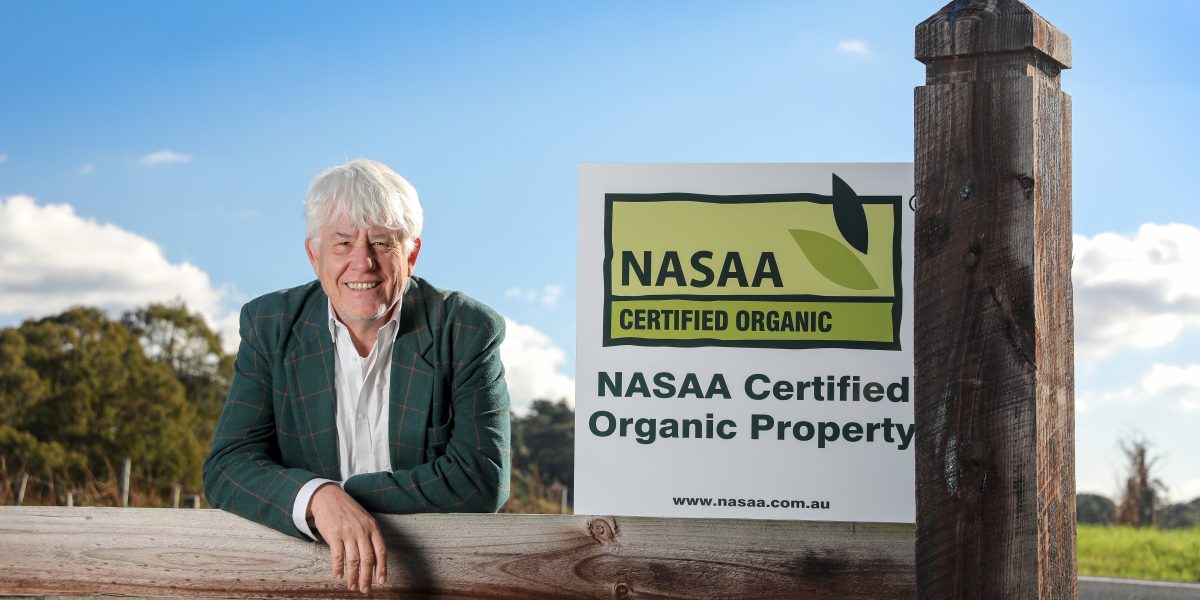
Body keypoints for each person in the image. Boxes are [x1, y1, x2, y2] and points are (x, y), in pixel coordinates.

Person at [202, 159, 510, 594]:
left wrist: (341, 496)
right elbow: (227, 466)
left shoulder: (466, 329)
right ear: (314, 255)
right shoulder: (269, 325)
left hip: (436, 579)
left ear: (412, 253)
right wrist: (317, 499)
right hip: (304, 579)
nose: (362, 262)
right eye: (342, 242)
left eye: (381, 242)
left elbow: (481, 480)